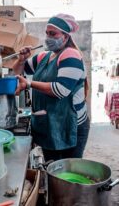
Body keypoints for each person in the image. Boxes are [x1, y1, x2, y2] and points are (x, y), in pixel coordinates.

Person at [13, 13, 90, 162]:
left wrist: (29, 83)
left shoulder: (71, 55)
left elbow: (61, 90)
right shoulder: (44, 57)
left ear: (66, 37)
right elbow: (17, 73)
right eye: (47, 33)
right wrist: (21, 60)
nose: (48, 37)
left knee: (69, 171)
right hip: (51, 123)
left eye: (53, 34)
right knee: (52, 169)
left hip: (69, 125)